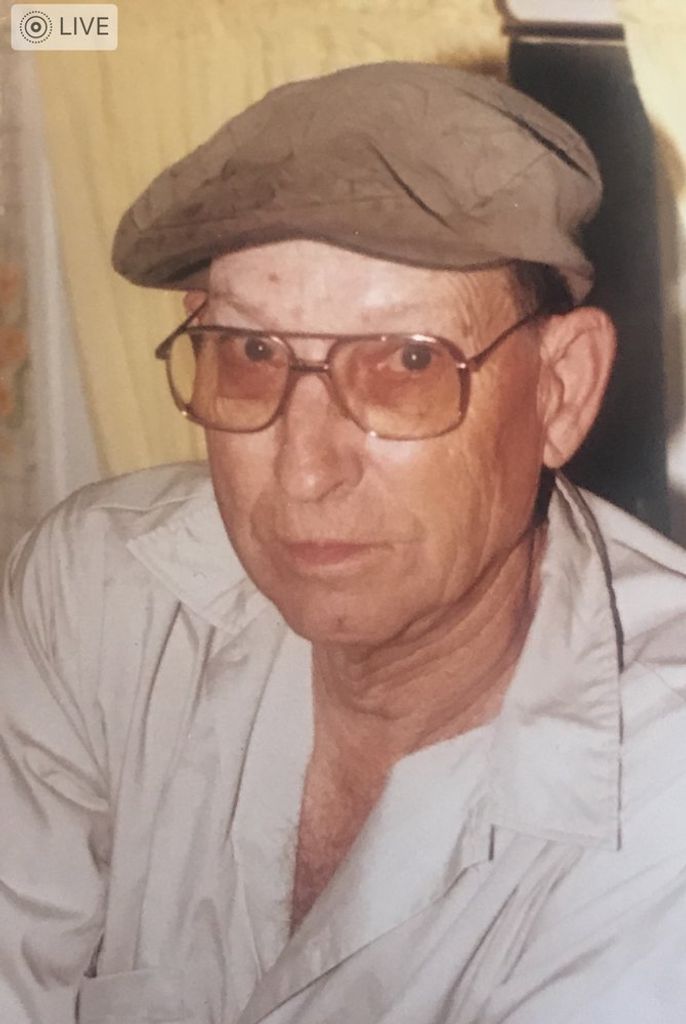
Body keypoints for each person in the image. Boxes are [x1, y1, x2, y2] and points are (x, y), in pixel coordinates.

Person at [3, 61, 686, 1024]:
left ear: (560, 390)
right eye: (251, 351)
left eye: (408, 361)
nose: (304, 471)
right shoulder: (99, 593)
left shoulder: (659, 782)